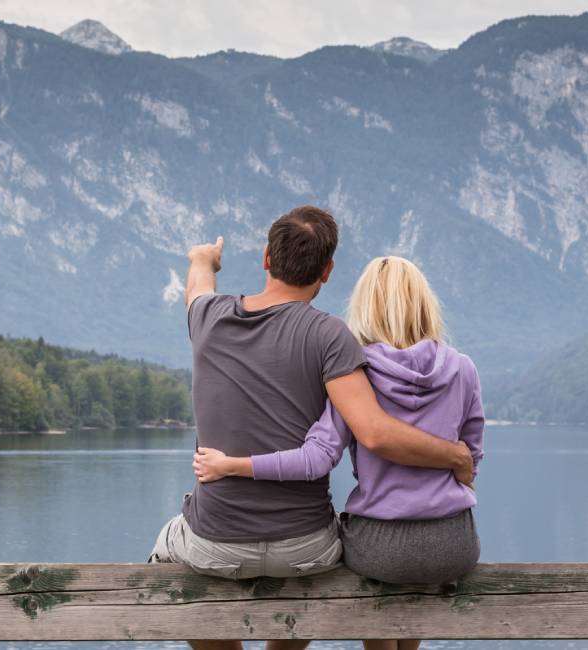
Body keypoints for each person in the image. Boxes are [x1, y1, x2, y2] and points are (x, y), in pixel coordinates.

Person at [149, 206, 474, 650]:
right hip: (306, 546)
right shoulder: (331, 336)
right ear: (327, 270)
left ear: (266, 257)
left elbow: (197, 287)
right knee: (323, 561)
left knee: (166, 543)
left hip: (216, 542)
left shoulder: (208, 318)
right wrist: (456, 456)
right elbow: (373, 432)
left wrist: (203, 257)